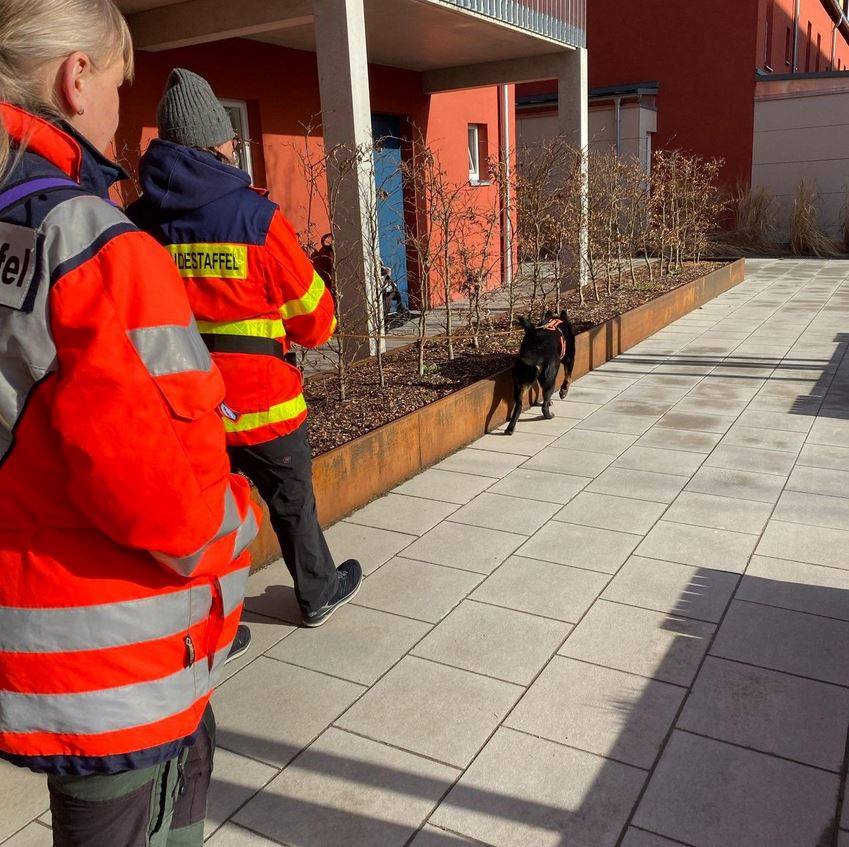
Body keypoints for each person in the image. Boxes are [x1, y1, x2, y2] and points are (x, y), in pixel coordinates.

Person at [0, 2, 261, 844]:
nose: (122, 110)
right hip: (109, 667)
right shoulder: (96, 244)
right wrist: (239, 521)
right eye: (120, 83)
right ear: (77, 79)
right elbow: (165, 508)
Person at [127, 69, 362, 629]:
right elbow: (316, 322)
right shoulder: (256, 218)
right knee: (291, 503)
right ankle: (318, 592)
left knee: (201, 521)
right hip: (264, 406)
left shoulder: (136, 222)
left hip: (182, 408)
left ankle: (215, 630)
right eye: (233, 138)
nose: (239, 145)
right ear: (215, 144)